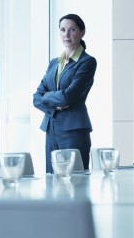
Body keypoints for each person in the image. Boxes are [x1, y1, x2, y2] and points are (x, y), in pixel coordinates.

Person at [33, 14, 97, 173]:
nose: (66, 35)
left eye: (72, 30)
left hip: (73, 130)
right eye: (63, 30)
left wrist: (47, 97)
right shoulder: (54, 63)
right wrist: (56, 104)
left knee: (74, 182)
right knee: (51, 179)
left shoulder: (87, 62)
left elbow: (69, 96)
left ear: (82, 32)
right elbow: (36, 98)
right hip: (51, 129)